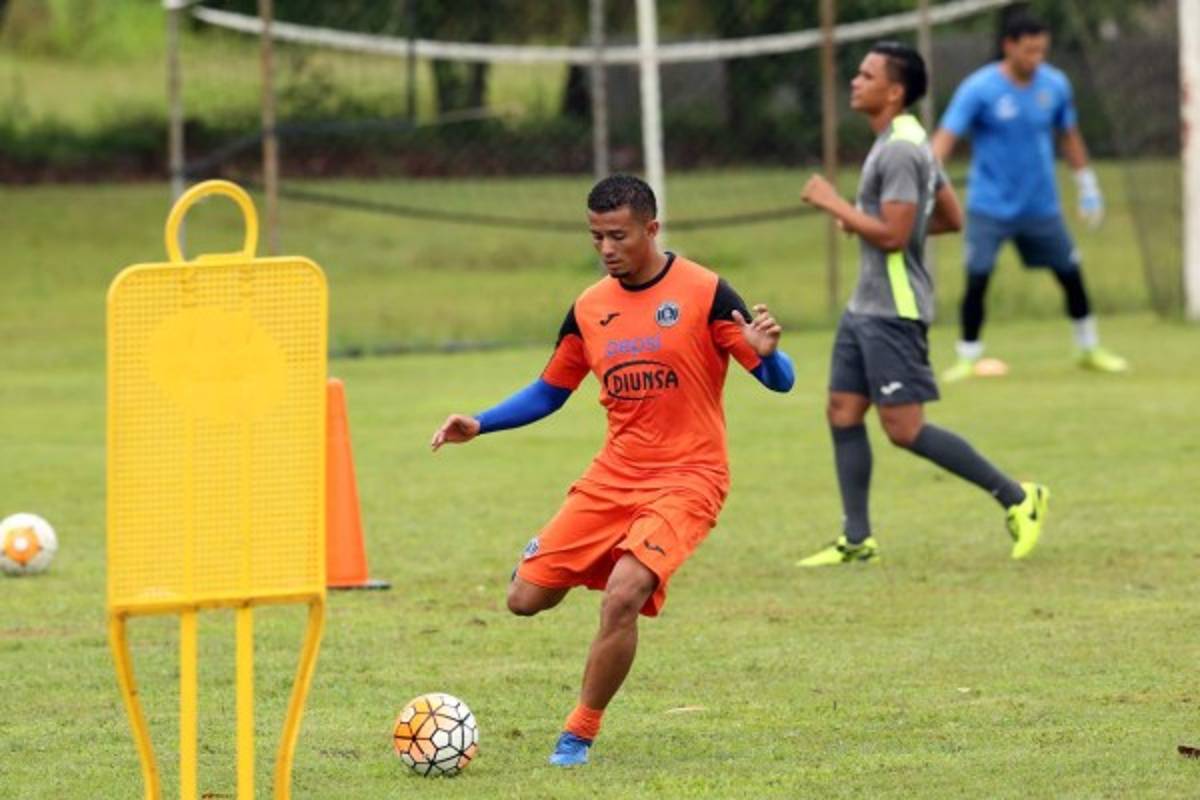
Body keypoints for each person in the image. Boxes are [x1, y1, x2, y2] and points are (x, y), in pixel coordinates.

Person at [430, 174, 795, 766]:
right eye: (596, 236)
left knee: (624, 594)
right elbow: (550, 390)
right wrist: (481, 422)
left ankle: (578, 733)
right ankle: (563, 558)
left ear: (651, 229)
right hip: (614, 476)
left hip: (689, 476)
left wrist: (770, 356)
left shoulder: (705, 292)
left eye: (618, 236)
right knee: (524, 599)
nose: (606, 248)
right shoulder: (589, 307)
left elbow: (779, 381)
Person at [796, 41, 1047, 567]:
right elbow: (948, 217)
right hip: (865, 306)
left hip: (893, 309)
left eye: (867, 75)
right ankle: (857, 538)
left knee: (904, 429)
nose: (855, 82)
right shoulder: (904, 139)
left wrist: (836, 205)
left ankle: (1019, 498)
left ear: (895, 91)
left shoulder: (901, 150)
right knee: (843, 410)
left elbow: (893, 235)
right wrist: (868, 222)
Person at [932, 13, 1128, 381]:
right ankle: (968, 357)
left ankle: (1089, 348)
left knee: (1070, 274)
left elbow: (1068, 135)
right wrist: (926, 176)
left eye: (1042, 50)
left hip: (1040, 204)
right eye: (1029, 50)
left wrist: (1087, 185)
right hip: (990, 204)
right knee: (978, 277)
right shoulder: (979, 88)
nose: (1036, 58)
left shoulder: (1055, 84)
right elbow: (945, 137)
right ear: (1009, 46)